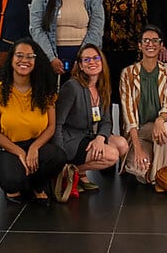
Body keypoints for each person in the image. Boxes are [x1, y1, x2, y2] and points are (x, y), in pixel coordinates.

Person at [0, 39, 66, 204]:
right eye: (19, 55)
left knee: (58, 156)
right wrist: (21, 152)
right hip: (8, 147)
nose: (24, 60)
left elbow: (51, 127)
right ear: (11, 59)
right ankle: (18, 186)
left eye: (30, 57)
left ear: (36, 61)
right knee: (12, 182)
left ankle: (38, 185)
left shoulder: (45, 91)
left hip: (37, 145)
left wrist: (34, 148)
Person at [54, 44, 128, 192]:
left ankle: (77, 172)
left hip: (88, 135)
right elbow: (57, 123)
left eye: (96, 58)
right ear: (80, 66)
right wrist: (59, 157)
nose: (92, 62)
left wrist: (100, 138)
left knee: (122, 144)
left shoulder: (102, 87)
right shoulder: (72, 87)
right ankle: (64, 172)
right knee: (112, 155)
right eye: (86, 59)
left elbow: (106, 121)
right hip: (70, 139)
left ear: (102, 62)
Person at [30, 0, 104, 80]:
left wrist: (84, 59)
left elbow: (96, 29)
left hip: (83, 56)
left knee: (81, 97)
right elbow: (36, 28)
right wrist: (51, 58)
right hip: (51, 54)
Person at [119, 26, 167, 188]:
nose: (150, 44)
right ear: (139, 45)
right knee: (139, 170)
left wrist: (160, 120)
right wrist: (137, 148)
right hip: (139, 131)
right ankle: (159, 168)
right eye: (146, 41)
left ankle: (159, 179)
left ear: (161, 45)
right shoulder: (128, 73)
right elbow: (128, 112)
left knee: (165, 130)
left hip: (162, 126)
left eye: (155, 41)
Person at [94, 0, 147, 117]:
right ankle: (105, 138)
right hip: (102, 56)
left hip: (129, 56)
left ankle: (128, 140)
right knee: (103, 101)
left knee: (128, 103)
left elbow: (142, 25)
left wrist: (141, 58)